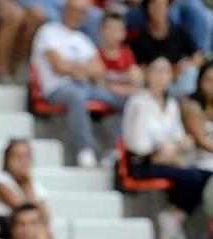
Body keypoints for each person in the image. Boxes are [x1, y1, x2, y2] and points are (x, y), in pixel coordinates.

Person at [123, 56, 211, 239]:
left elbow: (181, 138)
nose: (161, 77)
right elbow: (137, 143)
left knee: (203, 175)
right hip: (142, 162)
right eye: (156, 72)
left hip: (169, 158)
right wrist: (161, 150)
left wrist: (172, 148)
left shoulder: (171, 104)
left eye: (165, 72)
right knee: (194, 177)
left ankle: (175, 215)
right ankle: (172, 216)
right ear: (148, 74)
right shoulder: (138, 102)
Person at [31, 0, 127, 167]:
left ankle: (115, 151)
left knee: (125, 100)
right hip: (57, 89)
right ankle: (85, 150)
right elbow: (58, 66)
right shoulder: (48, 31)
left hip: (85, 86)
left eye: (81, 12)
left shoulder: (83, 39)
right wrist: (82, 69)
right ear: (65, 10)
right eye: (73, 10)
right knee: (77, 96)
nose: (76, 15)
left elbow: (99, 69)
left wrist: (73, 68)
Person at [129, 0, 203, 97]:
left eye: (161, 6)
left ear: (168, 9)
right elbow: (137, 66)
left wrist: (183, 66)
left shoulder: (180, 32)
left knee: (190, 71)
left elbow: (198, 56)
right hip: (151, 84)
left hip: (175, 81)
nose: (158, 10)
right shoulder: (139, 38)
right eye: (154, 6)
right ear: (147, 9)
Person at [0, 140, 50, 239]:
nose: (22, 161)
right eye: (17, 156)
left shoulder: (36, 186)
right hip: (0, 231)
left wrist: (28, 184)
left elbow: (45, 219)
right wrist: (27, 184)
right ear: (7, 160)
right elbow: (24, 211)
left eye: (26, 156)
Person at [97, 13, 142, 99]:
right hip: (105, 96)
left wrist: (115, 87)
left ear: (124, 33)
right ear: (101, 31)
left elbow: (135, 80)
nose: (113, 33)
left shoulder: (127, 53)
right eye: (110, 29)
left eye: (118, 29)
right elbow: (99, 83)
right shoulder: (96, 54)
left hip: (124, 95)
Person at [181, 60, 213, 172]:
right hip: (197, 164)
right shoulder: (191, 105)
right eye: (208, 80)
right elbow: (202, 141)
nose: (211, 85)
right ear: (200, 81)